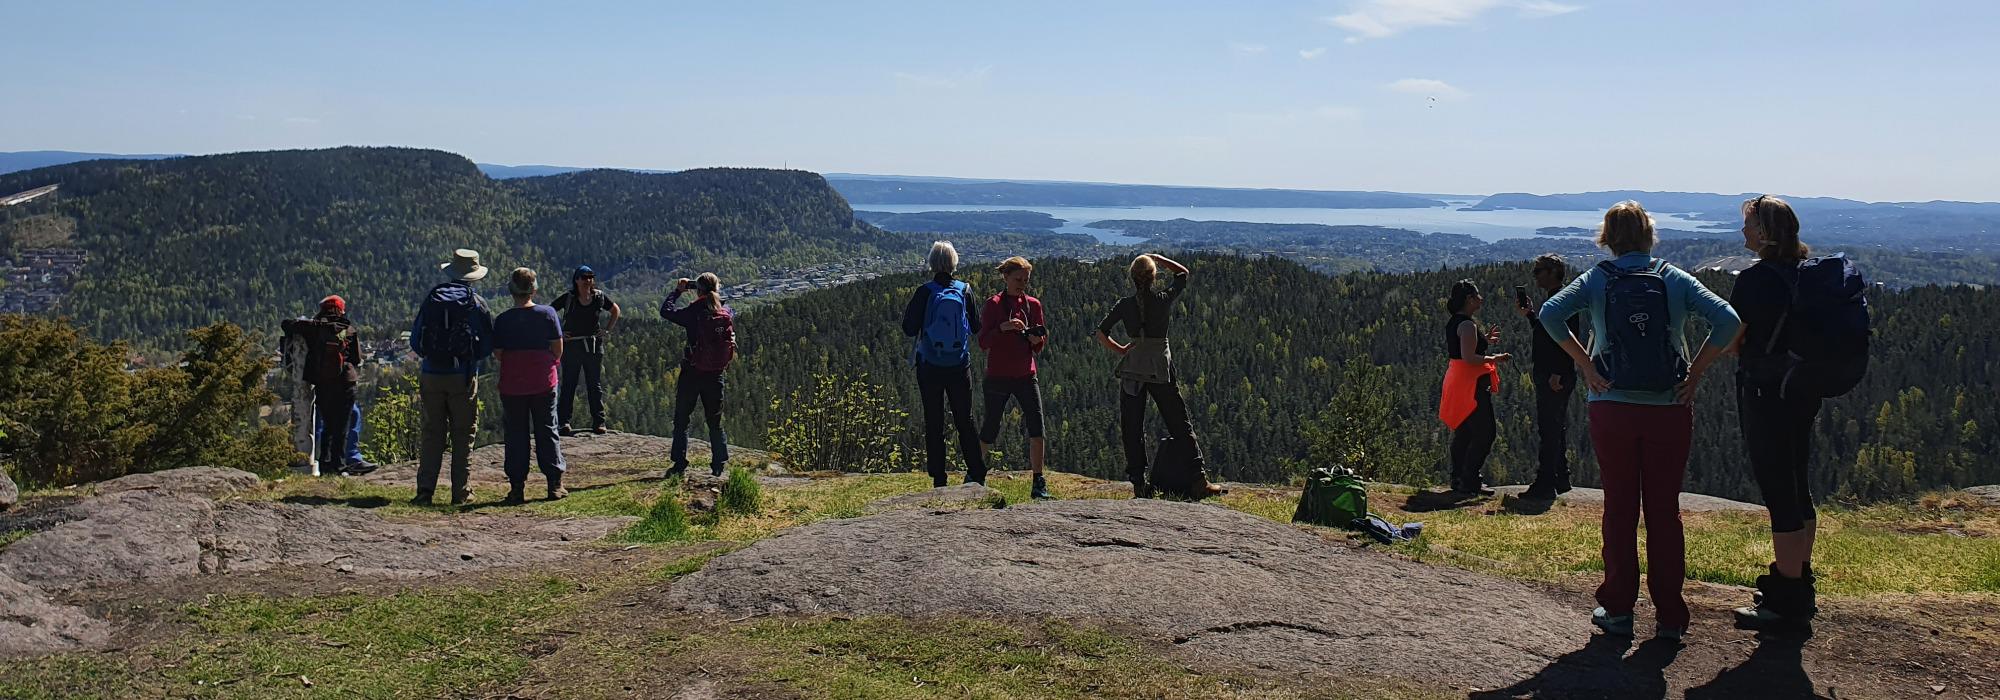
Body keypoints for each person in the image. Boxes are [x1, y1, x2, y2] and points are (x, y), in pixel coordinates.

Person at [1540, 201, 1741, 641]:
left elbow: (1550, 314)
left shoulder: (1597, 279)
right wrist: (1696, 371)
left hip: (1610, 405)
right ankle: (1669, 616)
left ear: (1607, 238)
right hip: (1669, 407)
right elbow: (1728, 321)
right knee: (1664, 511)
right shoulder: (1673, 278)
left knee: (1620, 508)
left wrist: (1586, 366)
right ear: (1650, 235)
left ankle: (1618, 611)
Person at [1730, 195, 1825, 632]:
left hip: (1766, 393)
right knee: (1797, 481)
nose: (1744, 233)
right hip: (1802, 392)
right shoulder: (1808, 276)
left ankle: (1786, 599)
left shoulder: (1755, 281)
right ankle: (1801, 580)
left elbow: (1734, 340)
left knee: (1778, 492)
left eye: (1749, 225)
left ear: (1765, 233)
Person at [1095, 253, 1219, 499]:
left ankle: (1139, 485)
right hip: (1160, 368)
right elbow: (1182, 273)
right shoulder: (1162, 300)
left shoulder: (1124, 305)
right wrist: (1158, 258)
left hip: (1133, 368)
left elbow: (1101, 332)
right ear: (1153, 277)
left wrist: (1120, 350)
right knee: (1179, 422)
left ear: (1132, 278)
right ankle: (1198, 480)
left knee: (1132, 427)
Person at [409, 249, 496, 506]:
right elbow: (487, 344)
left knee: (432, 432)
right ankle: (461, 492)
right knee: (462, 434)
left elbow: (416, 340)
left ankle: (425, 491)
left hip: (431, 374)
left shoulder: (432, 299)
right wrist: (470, 359)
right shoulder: (476, 304)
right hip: (463, 376)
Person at [902, 241, 988, 488]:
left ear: (931, 263)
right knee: (965, 418)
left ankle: (939, 478)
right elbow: (976, 327)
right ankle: (976, 472)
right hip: (959, 365)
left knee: (934, 420)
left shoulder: (925, 292)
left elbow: (908, 329)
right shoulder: (964, 290)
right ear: (954, 263)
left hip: (930, 365)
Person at [978, 257, 1051, 500]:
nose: (1022, 284)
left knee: (1036, 427)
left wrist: (1035, 340)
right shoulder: (994, 304)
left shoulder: (1033, 305)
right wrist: (1003, 328)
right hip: (998, 375)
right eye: (1017, 279)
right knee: (990, 425)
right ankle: (976, 474)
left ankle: (1038, 481)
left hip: (1025, 374)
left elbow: (1041, 341)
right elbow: (982, 341)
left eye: (1025, 280)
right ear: (1006, 277)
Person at [492, 267, 568, 504]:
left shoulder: (503, 320)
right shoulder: (547, 314)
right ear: (534, 289)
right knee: (547, 429)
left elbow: (498, 353)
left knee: (516, 434)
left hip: (513, 385)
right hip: (543, 381)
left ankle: (517, 488)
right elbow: (558, 348)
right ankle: (554, 484)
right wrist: (550, 362)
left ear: (511, 291)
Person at [660, 272, 736, 479]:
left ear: (698, 290)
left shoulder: (693, 312)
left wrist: (678, 291)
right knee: (715, 420)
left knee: (682, 419)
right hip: (716, 374)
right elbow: (727, 307)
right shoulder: (725, 310)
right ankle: (719, 464)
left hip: (692, 373)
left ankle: (679, 463)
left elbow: (666, 312)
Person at [284, 295, 369, 476]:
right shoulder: (348, 329)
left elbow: (287, 324)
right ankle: (340, 465)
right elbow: (356, 358)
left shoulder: (314, 328)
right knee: (342, 426)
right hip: (346, 383)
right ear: (341, 310)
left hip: (324, 383)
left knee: (328, 426)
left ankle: (325, 465)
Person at [1518, 254, 1580, 499]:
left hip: (1555, 375)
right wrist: (1531, 316)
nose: (1535, 276)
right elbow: (1547, 335)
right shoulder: (1558, 300)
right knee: (1556, 427)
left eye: (1539, 271)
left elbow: (1569, 340)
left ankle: (1545, 485)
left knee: (1549, 429)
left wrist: (1558, 372)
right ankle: (1560, 478)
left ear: (1553, 272)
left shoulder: (1562, 301)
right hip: (1554, 373)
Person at [1442, 280, 1511, 497]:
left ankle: (1459, 477)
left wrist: (1485, 340)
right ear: (1469, 299)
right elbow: (1470, 357)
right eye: (1477, 295)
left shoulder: (1457, 322)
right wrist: (1495, 358)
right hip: (1470, 384)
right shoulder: (1468, 325)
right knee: (1485, 432)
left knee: (1464, 431)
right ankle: (1470, 479)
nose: (1481, 298)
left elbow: (1465, 349)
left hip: (1457, 380)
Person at [552, 265, 620, 436]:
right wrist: (559, 332)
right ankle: (564, 423)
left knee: (594, 385)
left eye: (590, 277)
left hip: (593, 345)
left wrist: (607, 330)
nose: (588, 280)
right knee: (569, 384)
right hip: (572, 346)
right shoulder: (568, 298)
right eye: (584, 277)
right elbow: (549, 312)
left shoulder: (599, 297)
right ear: (576, 280)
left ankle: (599, 422)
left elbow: (615, 310)